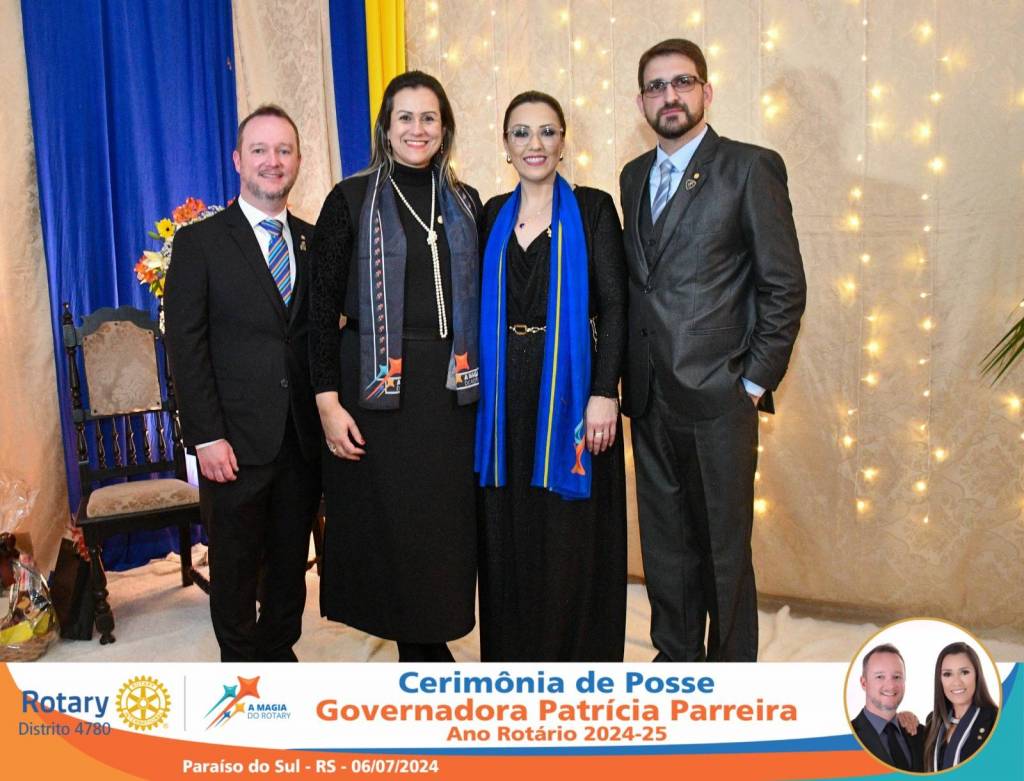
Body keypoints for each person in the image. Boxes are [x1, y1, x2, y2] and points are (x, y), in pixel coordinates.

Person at [619, 39, 806, 662]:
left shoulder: (750, 167)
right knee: (665, 546)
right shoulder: (633, 176)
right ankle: (675, 660)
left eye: (682, 82)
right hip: (649, 396)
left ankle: (729, 676)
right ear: (642, 101)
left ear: (706, 91)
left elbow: (784, 285)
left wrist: (751, 383)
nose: (669, 96)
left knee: (722, 550)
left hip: (720, 397)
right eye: (656, 86)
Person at [309, 71, 481, 662]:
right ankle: (422, 649)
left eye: (429, 117)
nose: (417, 129)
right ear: (386, 128)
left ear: (444, 128)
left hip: (451, 391)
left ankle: (432, 629)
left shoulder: (466, 201)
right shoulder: (349, 199)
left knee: (441, 524)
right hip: (377, 386)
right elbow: (319, 311)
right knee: (393, 522)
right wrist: (326, 401)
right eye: (404, 117)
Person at [164, 105, 322, 662]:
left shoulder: (314, 241)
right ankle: (239, 670)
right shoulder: (200, 243)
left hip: (301, 441)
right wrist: (206, 436)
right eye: (260, 150)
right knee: (233, 569)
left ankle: (279, 657)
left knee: (289, 566)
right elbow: (186, 347)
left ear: (297, 160)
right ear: (237, 160)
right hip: (231, 445)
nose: (272, 161)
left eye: (283, 150)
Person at [476, 92, 628, 661]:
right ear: (506, 145)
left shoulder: (592, 209)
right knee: (508, 529)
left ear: (564, 141)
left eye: (546, 131)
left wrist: (603, 392)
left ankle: (572, 660)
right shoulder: (490, 213)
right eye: (521, 132)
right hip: (502, 395)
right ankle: (513, 661)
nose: (534, 144)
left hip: (572, 391)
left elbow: (616, 307)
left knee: (567, 532)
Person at [923, 642, 999, 770]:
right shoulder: (933, 722)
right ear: (940, 679)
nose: (957, 682)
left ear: (977, 675)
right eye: (947, 674)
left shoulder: (996, 720)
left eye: (964, 672)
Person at [851, 644, 926, 772]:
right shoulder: (846, 737)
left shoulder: (921, 734)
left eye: (897, 677)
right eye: (880, 676)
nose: (890, 685)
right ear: (864, 683)